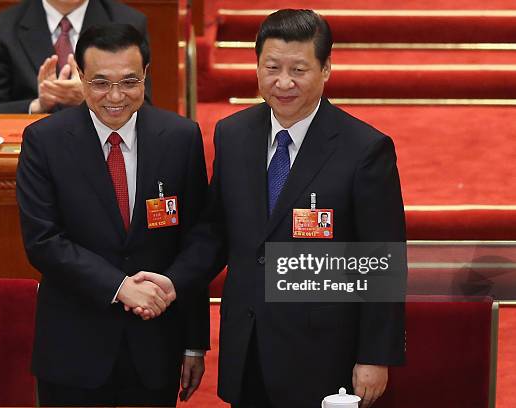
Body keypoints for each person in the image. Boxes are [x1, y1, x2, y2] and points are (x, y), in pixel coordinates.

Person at [132, 9, 406, 408]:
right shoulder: (233, 134)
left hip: (325, 354)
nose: (283, 82)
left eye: (299, 69)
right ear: (257, 65)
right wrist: (173, 281)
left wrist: (375, 356)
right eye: (271, 67)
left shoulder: (364, 150)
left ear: (326, 69)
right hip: (249, 343)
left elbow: (381, 262)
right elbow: (215, 231)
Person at [16, 24, 207, 407]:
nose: (116, 97)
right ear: (81, 77)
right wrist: (120, 287)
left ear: (146, 75)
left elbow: (199, 238)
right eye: (101, 83)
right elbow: (44, 242)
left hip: (155, 348)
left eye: (129, 81)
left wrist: (194, 344)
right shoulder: (44, 141)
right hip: (74, 350)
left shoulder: (181, 137)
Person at [0, 0, 151, 113]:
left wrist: (93, 95)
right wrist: (38, 105)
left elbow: (143, 107)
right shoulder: (2, 28)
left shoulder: (129, 23)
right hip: (31, 146)